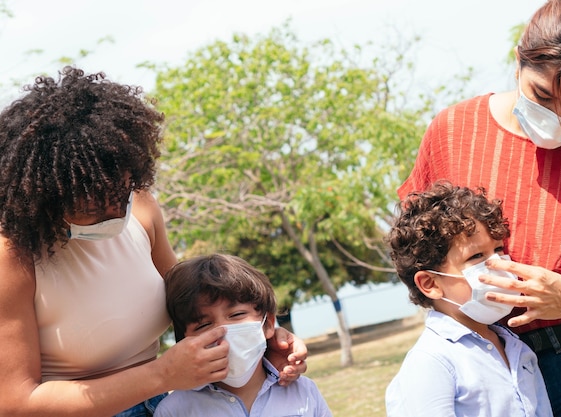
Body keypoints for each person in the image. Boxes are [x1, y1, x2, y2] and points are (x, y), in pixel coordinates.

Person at [0, 67, 307, 417]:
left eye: (122, 191)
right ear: (46, 197)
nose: (115, 210)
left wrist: (264, 339)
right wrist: (162, 374)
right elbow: (15, 402)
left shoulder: (143, 207)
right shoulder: (12, 258)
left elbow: (196, 300)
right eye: (92, 206)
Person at [398, 1, 561, 416]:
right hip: (488, 361)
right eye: (542, 96)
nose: (558, 119)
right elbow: (422, 253)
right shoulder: (453, 132)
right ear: (518, 60)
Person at [384, 182, 552, 416]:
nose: (498, 264)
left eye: (499, 250)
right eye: (477, 256)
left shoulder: (515, 346)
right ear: (430, 284)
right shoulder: (432, 361)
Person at [155, 253, 332, 417]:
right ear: (184, 342)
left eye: (236, 315)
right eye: (204, 325)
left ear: (268, 323)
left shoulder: (303, 391)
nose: (223, 331)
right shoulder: (174, 410)